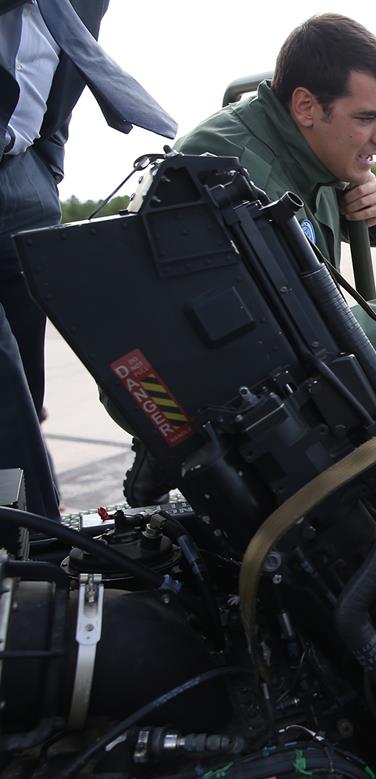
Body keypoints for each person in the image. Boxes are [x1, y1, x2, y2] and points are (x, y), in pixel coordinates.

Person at [174, 14, 376, 362]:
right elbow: (284, 344)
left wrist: (352, 198)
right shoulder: (227, 174)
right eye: (366, 118)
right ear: (305, 107)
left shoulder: (309, 149)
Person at [2, 0, 177, 518]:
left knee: (25, 402)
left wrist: (44, 175)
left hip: (22, 186)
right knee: (5, 400)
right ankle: (38, 562)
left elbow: (62, 92)